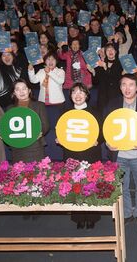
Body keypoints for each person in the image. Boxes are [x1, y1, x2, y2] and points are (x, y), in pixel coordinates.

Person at [103, 74, 137, 230]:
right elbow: (105, 128)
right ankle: (126, 213)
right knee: (122, 187)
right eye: (124, 85)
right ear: (120, 87)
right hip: (119, 155)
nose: (127, 88)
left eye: (131, 85)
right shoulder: (112, 105)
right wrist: (108, 143)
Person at [59, 82, 102, 229]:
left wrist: (98, 141)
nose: (78, 95)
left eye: (81, 92)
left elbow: (102, 133)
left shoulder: (95, 112)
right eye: (74, 92)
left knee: (89, 184)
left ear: (87, 95)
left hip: (90, 154)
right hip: (72, 153)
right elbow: (61, 131)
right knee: (75, 185)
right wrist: (59, 139)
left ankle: (92, 217)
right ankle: (78, 216)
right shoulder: (65, 112)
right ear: (70, 96)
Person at [7, 79, 49, 163]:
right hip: (17, 148)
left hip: (35, 146)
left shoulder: (39, 105)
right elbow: (7, 128)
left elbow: (45, 126)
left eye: (24, 88)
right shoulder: (10, 109)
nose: (21, 92)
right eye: (17, 89)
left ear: (29, 90)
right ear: (14, 93)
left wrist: (39, 132)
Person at [91, 43, 123, 111]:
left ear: (116, 51)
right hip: (102, 97)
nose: (110, 51)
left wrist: (105, 67)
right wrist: (93, 72)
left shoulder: (121, 64)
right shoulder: (100, 64)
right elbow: (95, 82)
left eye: (112, 49)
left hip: (115, 96)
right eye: (108, 50)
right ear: (105, 53)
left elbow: (116, 79)